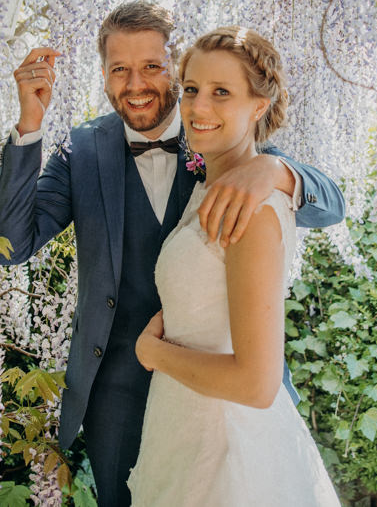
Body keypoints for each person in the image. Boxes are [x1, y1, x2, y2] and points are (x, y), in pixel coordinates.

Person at [0, 2, 345, 506]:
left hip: (215, 393)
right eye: (120, 69)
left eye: (152, 67)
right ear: (105, 76)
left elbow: (331, 205)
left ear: (175, 70)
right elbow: (8, 245)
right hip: (115, 391)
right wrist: (29, 124)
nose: (136, 84)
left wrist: (279, 173)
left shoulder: (221, 137)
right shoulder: (81, 150)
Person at [128, 26, 340, 506]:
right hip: (181, 429)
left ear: (258, 107)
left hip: (227, 449)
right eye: (191, 90)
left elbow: (257, 384)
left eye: (221, 93)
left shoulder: (255, 208)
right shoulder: (208, 183)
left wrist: (153, 352)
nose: (198, 108)